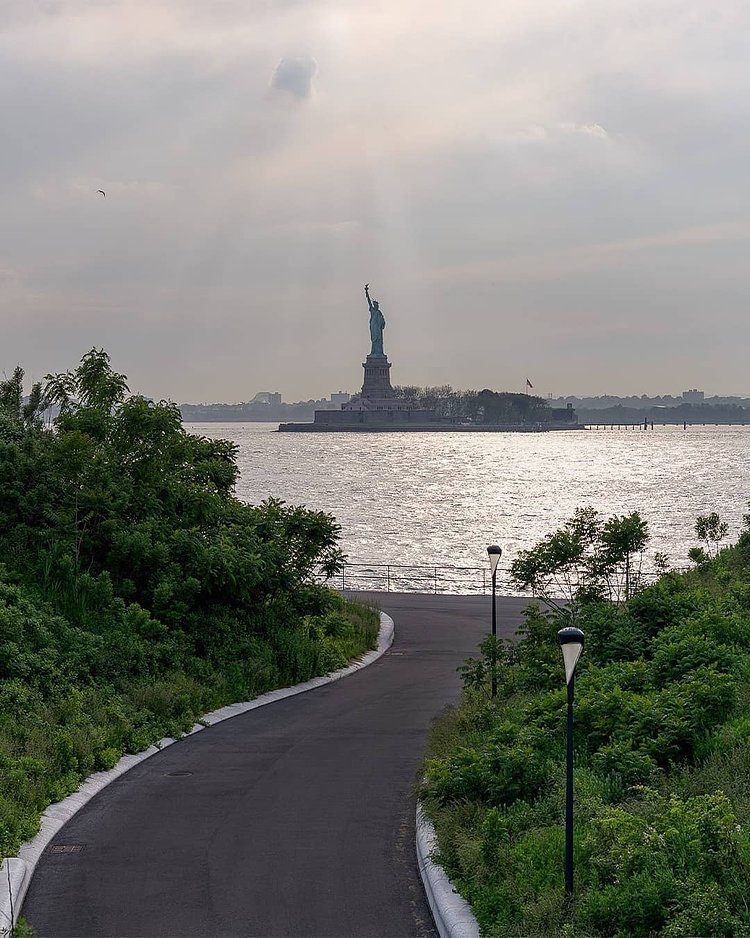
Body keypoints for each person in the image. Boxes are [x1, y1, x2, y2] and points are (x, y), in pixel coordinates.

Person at [364, 283, 386, 356]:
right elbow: (369, 302)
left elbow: (383, 322)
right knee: (374, 341)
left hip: (378, 330)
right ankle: (374, 353)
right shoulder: (373, 311)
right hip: (374, 329)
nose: (377, 306)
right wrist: (366, 292)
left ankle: (379, 353)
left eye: (377, 305)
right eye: (376, 305)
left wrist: (383, 323)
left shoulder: (379, 313)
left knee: (379, 342)